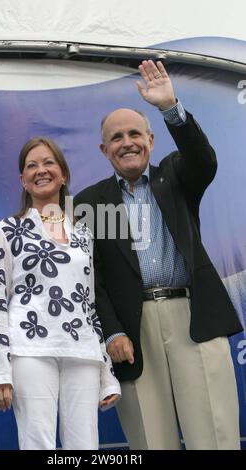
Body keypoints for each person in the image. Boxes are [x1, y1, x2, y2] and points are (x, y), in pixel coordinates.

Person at [74, 60, 243, 450]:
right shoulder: (91, 202)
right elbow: (91, 278)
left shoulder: (177, 176)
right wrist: (112, 330)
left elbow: (204, 159)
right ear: (104, 150)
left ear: (151, 140)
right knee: (151, 440)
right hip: (132, 330)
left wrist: (171, 108)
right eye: (116, 138)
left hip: (193, 317)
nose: (127, 142)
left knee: (214, 436)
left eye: (135, 133)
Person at [0, 136, 120, 450]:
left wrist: (107, 372)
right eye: (31, 166)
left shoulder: (83, 234)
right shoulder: (5, 231)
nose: (40, 170)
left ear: (63, 174)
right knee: (37, 442)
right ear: (22, 180)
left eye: (48, 162)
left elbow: (89, 306)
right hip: (30, 350)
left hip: (82, 352)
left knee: (86, 446)